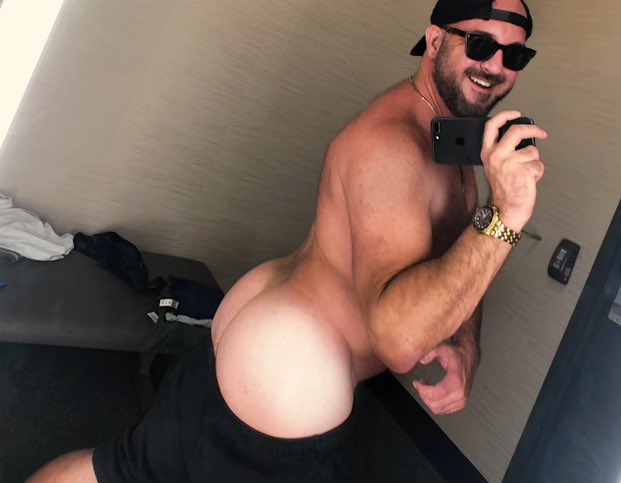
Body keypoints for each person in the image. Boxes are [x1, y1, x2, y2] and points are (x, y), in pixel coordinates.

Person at [28, 0, 547, 480]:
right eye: (480, 44)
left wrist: (465, 343)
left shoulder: (451, 135)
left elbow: (456, 240)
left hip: (264, 330)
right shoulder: (393, 148)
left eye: (514, 54)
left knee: (124, 470)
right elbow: (398, 341)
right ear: (434, 41)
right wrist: (507, 213)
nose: (495, 66)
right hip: (290, 375)